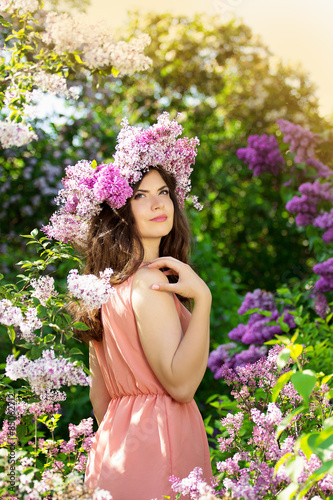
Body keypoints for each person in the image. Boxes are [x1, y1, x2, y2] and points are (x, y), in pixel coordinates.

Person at [46, 113, 212, 499]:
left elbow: (100, 401)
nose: (158, 204)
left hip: (114, 452)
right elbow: (182, 384)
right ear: (121, 209)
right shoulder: (149, 284)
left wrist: (129, 427)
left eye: (164, 193)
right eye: (140, 195)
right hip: (160, 446)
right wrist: (201, 298)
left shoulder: (102, 292)